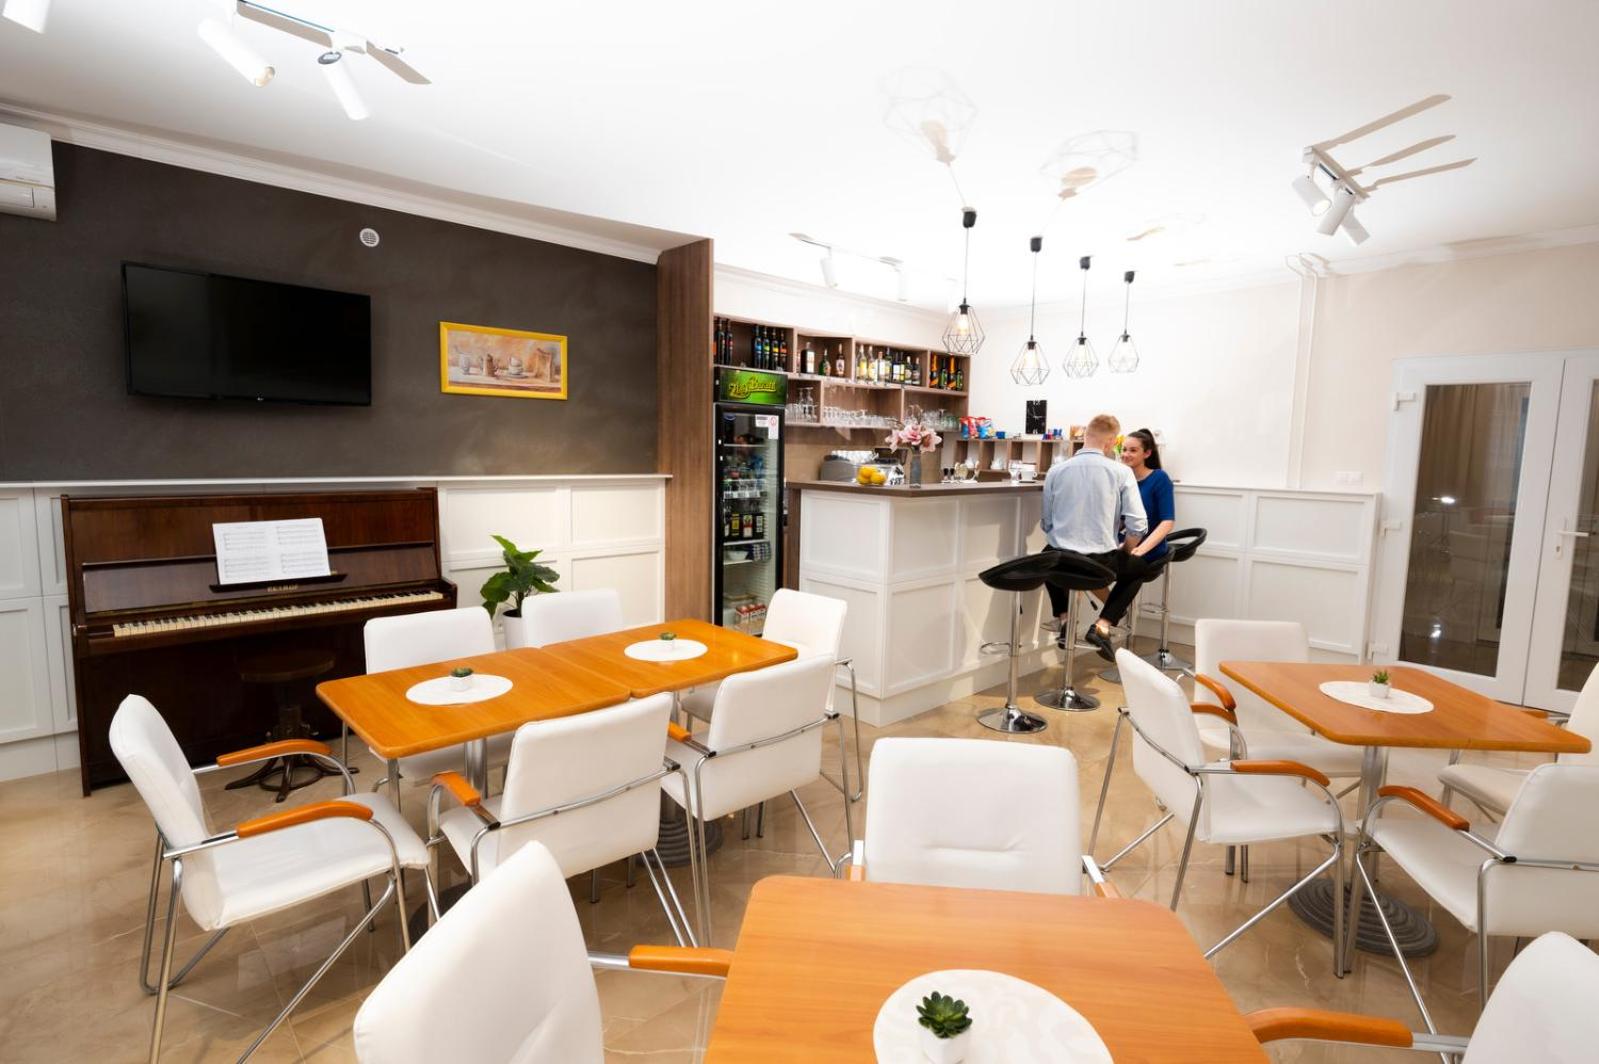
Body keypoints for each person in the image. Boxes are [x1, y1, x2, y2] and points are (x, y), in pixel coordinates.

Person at [1039, 414, 1147, 657]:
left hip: (1060, 561)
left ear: (1085, 436)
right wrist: (1125, 551)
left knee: (1048, 554)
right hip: (1099, 562)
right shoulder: (1121, 472)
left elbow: (1047, 523)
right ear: (1111, 442)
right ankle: (1103, 625)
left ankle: (1065, 620)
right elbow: (1138, 524)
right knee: (1139, 569)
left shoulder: (1056, 471)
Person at [1085, 428, 1175, 661]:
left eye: (1133, 450)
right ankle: (1113, 612)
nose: (1126, 454)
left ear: (1147, 453)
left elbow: (1167, 522)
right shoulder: (1120, 478)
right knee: (1088, 567)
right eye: (1124, 449)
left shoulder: (1159, 479)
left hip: (1150, 550)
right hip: (1124, 545)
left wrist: (1140, 549)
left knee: (1134, 568)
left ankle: (1103, 624)